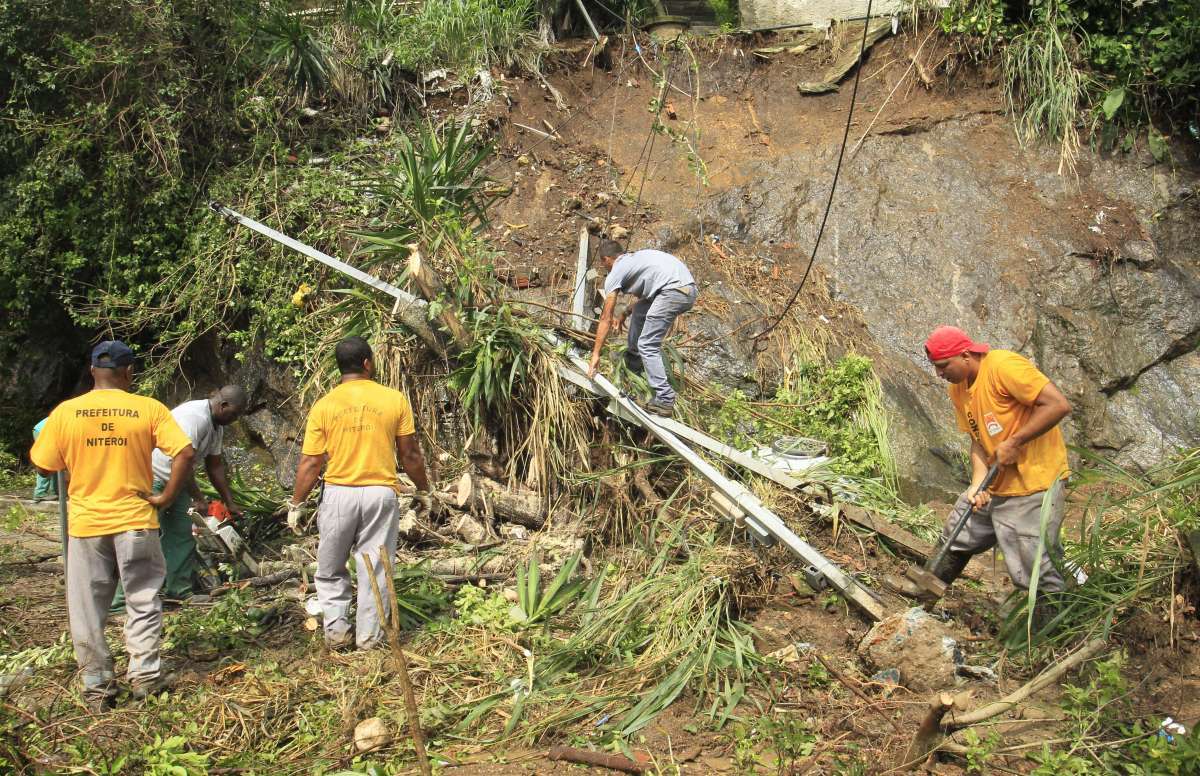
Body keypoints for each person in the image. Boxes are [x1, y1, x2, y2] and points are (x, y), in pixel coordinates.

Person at [30, 341, 194, 710]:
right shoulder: (148, 409)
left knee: (87, 606)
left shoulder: (66, 413)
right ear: (129, 372)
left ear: (92, 370)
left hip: (86, 524)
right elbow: (185, 452)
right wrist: (166, 497)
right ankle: (146, 676)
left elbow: (44, 465)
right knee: (142, 597)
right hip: (136, 520)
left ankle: (97, 685)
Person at [901, 325, 1073, 605]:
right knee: (959, 529)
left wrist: (1015, 441)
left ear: (966, 355)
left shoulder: (1004, 367)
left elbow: (1057, 405)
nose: (939, 373)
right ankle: (924, 596)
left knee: (1034, 568)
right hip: (996, 482)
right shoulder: (958, 390)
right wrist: (976, 484)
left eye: (944, 365)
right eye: (935, 367)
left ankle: (1051, 636)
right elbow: (978, 440)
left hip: (1034, 484)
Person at [288, 337, 433, 651]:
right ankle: (370, 640)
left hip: (339, 494)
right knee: (376, 569)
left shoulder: (324, 405)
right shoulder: (394, 399)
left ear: (340, 368)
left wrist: (296, 503)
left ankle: (337, 634)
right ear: (367, 363)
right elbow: (410, 456)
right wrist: (424, 491)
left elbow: (311, 462)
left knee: (329, 568)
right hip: (381, 495)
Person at [111, 386, 249, 608]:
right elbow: (183, 460)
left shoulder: (216, 426)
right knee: (139, 537)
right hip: (153, 478)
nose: (234, 419)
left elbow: (214, 466)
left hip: (176, 481)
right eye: (234, 414)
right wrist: (198, 498)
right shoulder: (195, 418)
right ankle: (119, 601)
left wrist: (229, 502)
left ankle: (178, 590)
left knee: (181, 535)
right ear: (223, 405)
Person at [587, 240, 697, 417]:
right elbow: (650, 294)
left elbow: (605, 318)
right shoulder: (635, 259)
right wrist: (626, 311)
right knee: (638, 310)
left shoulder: (615, 272)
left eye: (603, 263)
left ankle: (665, 399)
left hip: (673, 291)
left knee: (647, 344)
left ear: (606, 259)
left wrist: (595, 354)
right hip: (684, 289)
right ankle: (634, 360)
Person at [31, 417, 58, 502]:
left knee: (56, 461)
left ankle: (55, 491)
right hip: (42, 431)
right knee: (46, 461)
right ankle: (40, 493)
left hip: (44, 430)